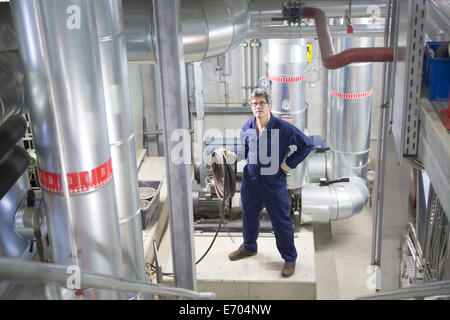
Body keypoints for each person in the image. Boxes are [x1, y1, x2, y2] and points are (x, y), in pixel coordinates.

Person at [212, 88, 314, 277]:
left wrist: (288, 163)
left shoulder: (283, 128)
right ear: (251, 107)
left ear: (269, 106)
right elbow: (243, 152)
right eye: (254, 103)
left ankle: (290, 258)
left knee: (281, 221)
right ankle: (249, 247)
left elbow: (307, 144)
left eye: (261, 103)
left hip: (274, 184)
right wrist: (229, 154)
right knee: (249, 216)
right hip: (250, 182)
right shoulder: (247, 127)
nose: (258, 106)